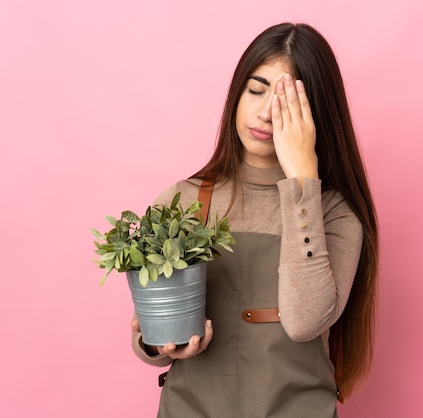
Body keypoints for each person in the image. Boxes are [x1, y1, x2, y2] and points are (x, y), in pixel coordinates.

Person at [130, 22, 378, 417]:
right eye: (256, 90)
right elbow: (151, 337)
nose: (265, 113)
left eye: (286, 102)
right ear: (236, 94)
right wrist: (155, 344)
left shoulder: (334, 212)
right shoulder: (183, 201)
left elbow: (303, 322)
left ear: (315, 115)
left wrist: (302, 183)